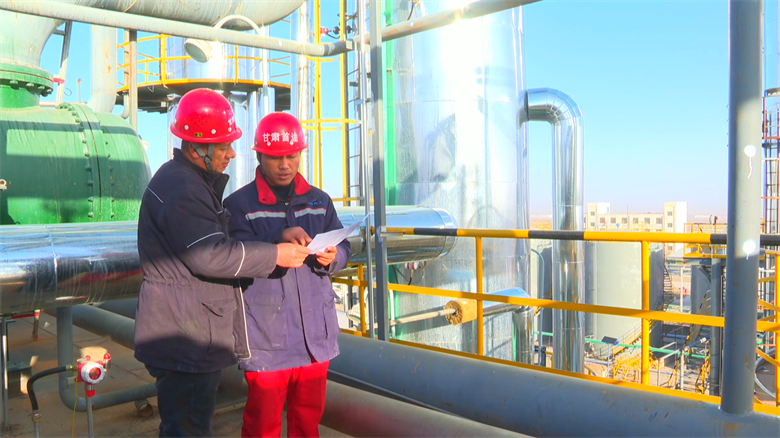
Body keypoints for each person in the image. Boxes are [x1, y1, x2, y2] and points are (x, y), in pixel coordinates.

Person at [134, 89, 312, 438]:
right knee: (188, 429)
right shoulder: (182, 188)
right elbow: (209, 254)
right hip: (185, 335)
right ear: (196, 149)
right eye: (224, 146)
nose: (232, 153)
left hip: (189, 329)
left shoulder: (187, 181)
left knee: (190, 425)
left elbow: (218, 242)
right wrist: (276, 255)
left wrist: (276, 236)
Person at [223, 112, 352, 438]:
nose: (284, 165)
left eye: (291, 156)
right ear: (259, 156)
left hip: (315, 337)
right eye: (275, 157)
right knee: (262, 425)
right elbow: (234, 256)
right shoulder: (238, 205)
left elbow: (345, 246)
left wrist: (333, 257)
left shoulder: (320, 201)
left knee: (307, 422)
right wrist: (277, 240)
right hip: (267, 338)